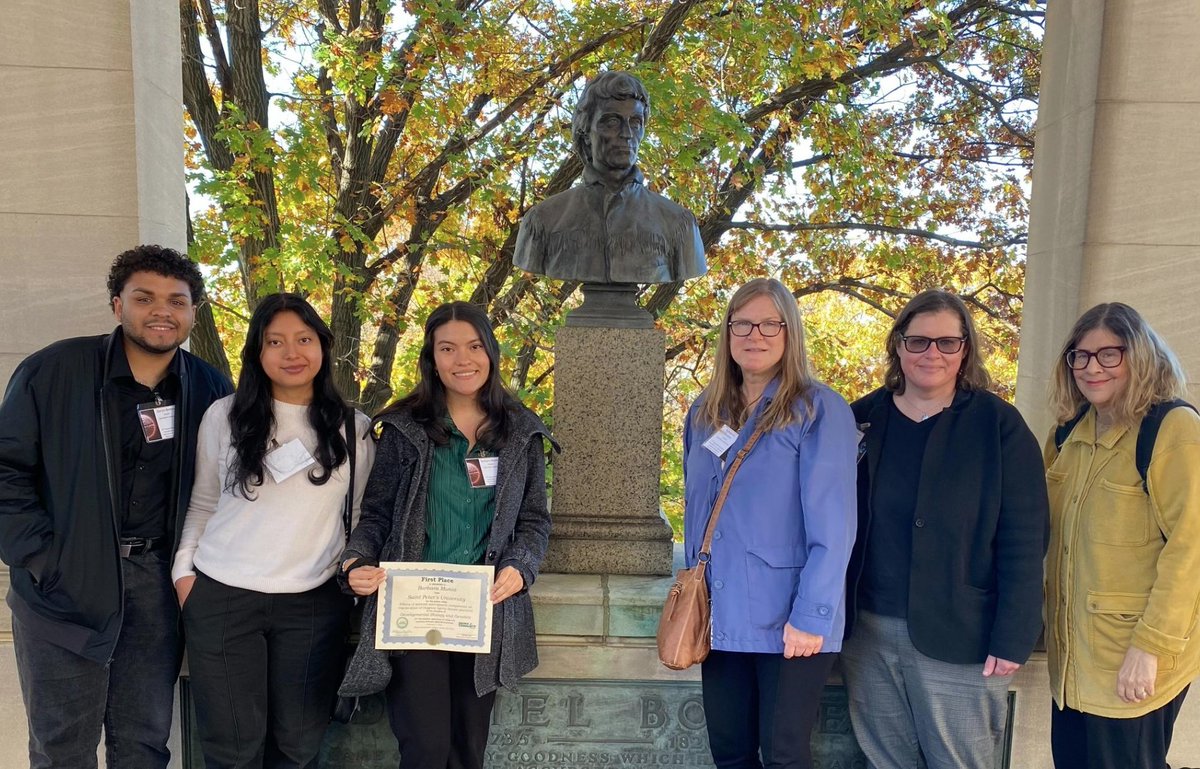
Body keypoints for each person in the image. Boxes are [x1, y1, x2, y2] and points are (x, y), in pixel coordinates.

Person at [0, 245, 231, 769]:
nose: (162, 312)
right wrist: (42, 559)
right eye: (145, 298)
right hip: (64, 587)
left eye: (177, 301)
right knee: (61, 748)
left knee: (144, 745)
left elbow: (226, 489)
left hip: (158, 585)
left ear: (194, 312)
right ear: (117, 305)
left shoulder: (211, 389)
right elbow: (7, 470)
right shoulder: (54, 370)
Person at [336, 301, 554, 769]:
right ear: (432, 359)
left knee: (467, 750)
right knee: (426, 749)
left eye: (474, 346)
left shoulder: (521, 431)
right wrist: (355, 561)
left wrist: (521, 566)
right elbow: (375, 515)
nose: (462, 360)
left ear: (490, 352)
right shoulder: (404, 428)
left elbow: (535, 520)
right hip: (414, 608)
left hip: (485, 608)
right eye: (447, 348)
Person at [841, 289, 1049, 769]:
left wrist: (1014, 634)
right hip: (868, 633)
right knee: (886, 761)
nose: (931, 353)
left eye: (947, 343)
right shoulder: (860, 419)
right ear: (898, 345)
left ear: (965, 349)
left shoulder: (1000, 427)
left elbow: (1025, 538)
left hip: (963, 636)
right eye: (918, 341)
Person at [171, 293, 374, 767]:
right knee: (231, 748)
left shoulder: (354, 429)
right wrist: (184, 575)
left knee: (298, 745)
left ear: (322, 346)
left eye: (304, 339)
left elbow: (361, 514)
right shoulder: (224, 415)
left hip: (313, 601)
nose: (291, 353)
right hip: (221, 596)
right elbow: (203, 501)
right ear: (257, 352)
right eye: (275, 341)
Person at [682, 278, 857, 769]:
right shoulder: (705, 412)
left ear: (789, 332)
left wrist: (812, 616)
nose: (753, 335)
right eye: (741, 324)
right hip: (719, 615)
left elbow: (835, 527)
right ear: (727, 333)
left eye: (768, 325)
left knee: (783, 756)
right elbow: (697, 510)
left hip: (789, 619)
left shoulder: (818, 410)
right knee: (730, 753)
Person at [1043, 302, 1200, 769]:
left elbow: (1191, 548)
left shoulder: (1172, 429)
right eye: (1081, 355)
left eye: (1109, 354)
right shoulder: (1065, 434)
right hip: (1071, 667)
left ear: (1141, 355)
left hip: (1132, 660)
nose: (1092, 367)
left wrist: (1150, 648)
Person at [513, 70, 706, 285]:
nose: (627, 134)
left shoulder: (679, 224)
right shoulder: (542, 221)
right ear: (586, 132)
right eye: (612, 122)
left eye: (635, 122)